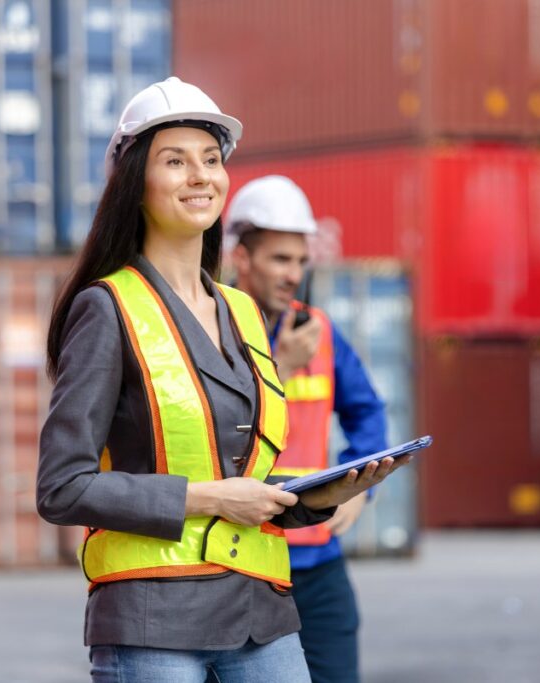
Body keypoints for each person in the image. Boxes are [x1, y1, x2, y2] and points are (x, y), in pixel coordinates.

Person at [36, 78, 409, 683]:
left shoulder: (241, 312)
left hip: (259, 612)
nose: (200, 176)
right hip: (154, 618)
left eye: (211, 160)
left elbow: (243, 474)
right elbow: (61, 487)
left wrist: (315, 495)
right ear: (136, 183)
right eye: (175, 161)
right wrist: (208, 497)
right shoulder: (107, 308)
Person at [226, 176, 389, 683]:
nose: (293, 274)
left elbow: (368, 412)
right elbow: (207, 421)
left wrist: (362, 487)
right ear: (241, 259)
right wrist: (278, 367)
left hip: (318, 559)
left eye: (300, 261)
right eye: (280, 259)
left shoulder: (318, 331)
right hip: (239, 559)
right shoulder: (210, 329)